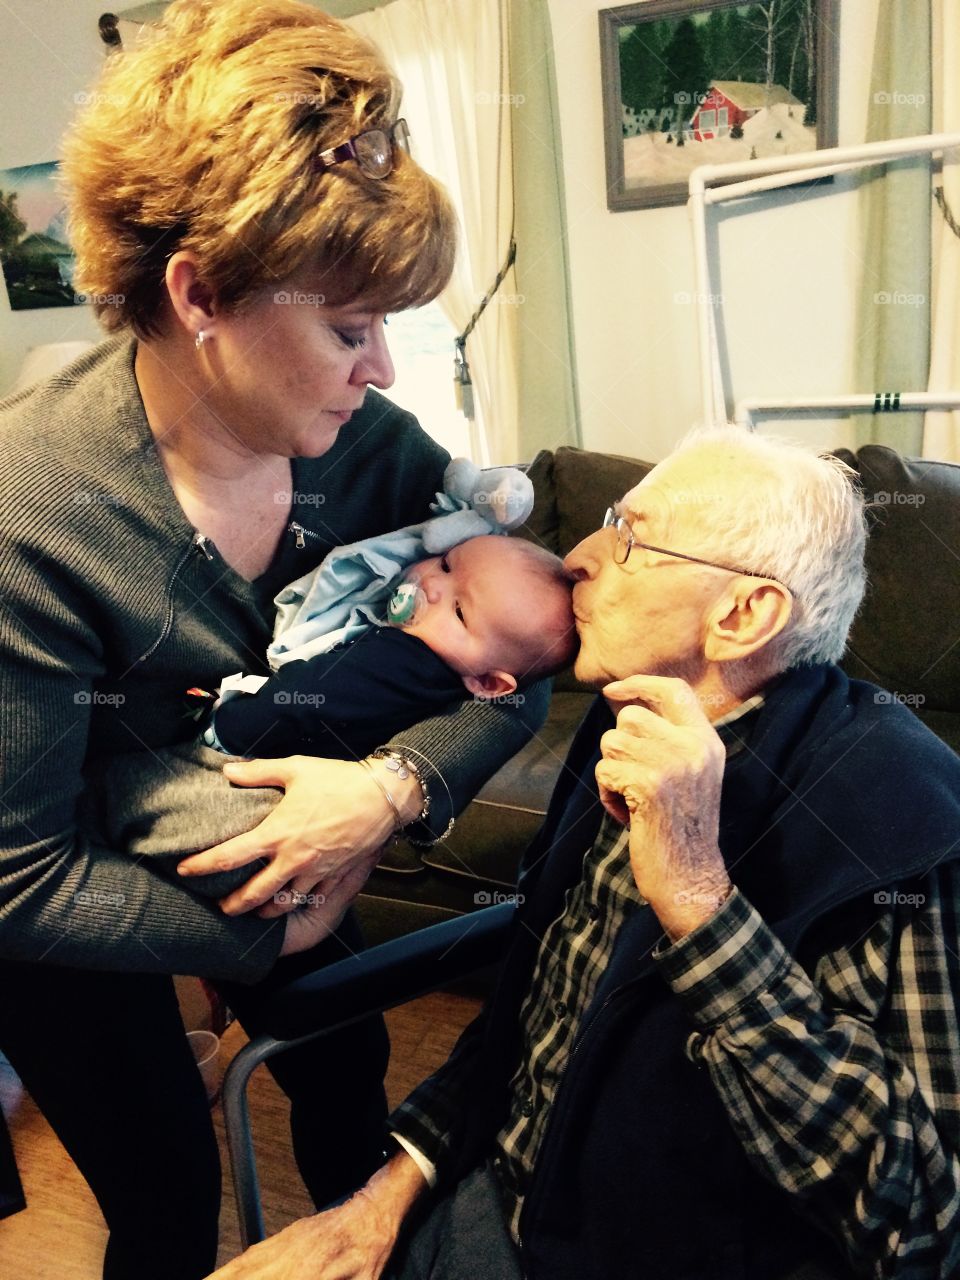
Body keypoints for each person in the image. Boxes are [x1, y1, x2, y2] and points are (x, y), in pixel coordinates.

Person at [0, 3, 550, 1278]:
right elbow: (18, 874)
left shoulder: (371, 453)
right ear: (199, 294)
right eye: (350, 329)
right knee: (165, 1192)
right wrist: (269, 934)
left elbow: (524, 666)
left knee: (348, 1055)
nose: (385, 372)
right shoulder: (35, 516)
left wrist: (387, 788)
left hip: (279, 846)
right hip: (71, 902)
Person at [209, 426, 960, 1280]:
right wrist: (382, 1200)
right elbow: (536, 1018)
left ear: (744, 614)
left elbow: (924, 1220)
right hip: (494, 1200)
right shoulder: (620, 724)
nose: (577, 555)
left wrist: (700, 902)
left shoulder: (906, 820)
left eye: (631, 536)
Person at [86, 533, 576, 896]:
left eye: (460, 612)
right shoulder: (446, 664)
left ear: (489, 684)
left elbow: (304, 699)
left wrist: (226, 727)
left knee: (131, 796)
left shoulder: (400, 656)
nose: (428, 584)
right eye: (447, 564)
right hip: (303, 781)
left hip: (255, 770)